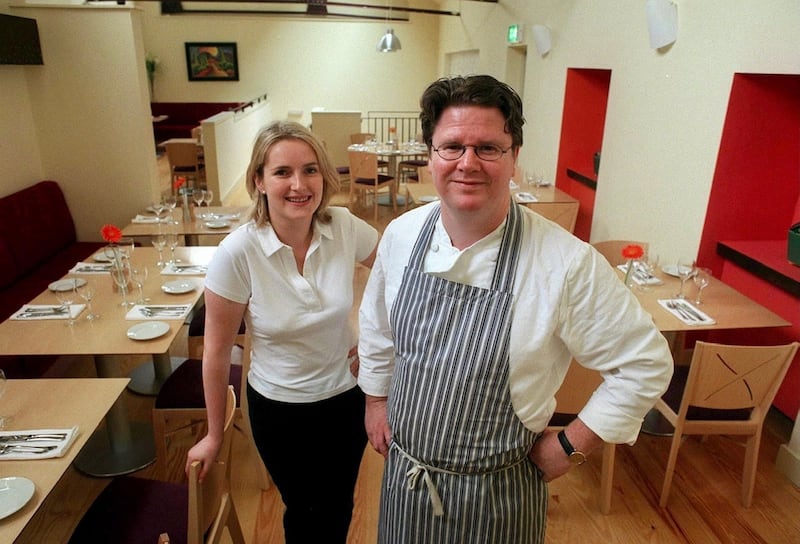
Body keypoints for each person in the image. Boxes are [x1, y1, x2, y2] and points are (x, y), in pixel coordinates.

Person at [357, 75, 673, 543]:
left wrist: (571, 446)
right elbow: (378, 327)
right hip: (407, 481)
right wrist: (376, 399)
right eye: (452, 147)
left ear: (514, 158)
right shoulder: (403, 235)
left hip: (500, 495)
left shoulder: (565, 263)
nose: (468, 163)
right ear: (430, 157)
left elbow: (644, 363)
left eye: (488, 147)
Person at [187, 120, 379, 543]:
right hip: (280, 409)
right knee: (304, 511)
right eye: (282, 172)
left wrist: (382, 343)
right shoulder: (238, 252)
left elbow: (397, 274)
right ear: (258, 181)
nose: (299, 184)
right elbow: (216, 353)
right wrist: (214, 434)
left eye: (310, 170)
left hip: (346, 398)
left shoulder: (343, 226)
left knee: (339, 506)